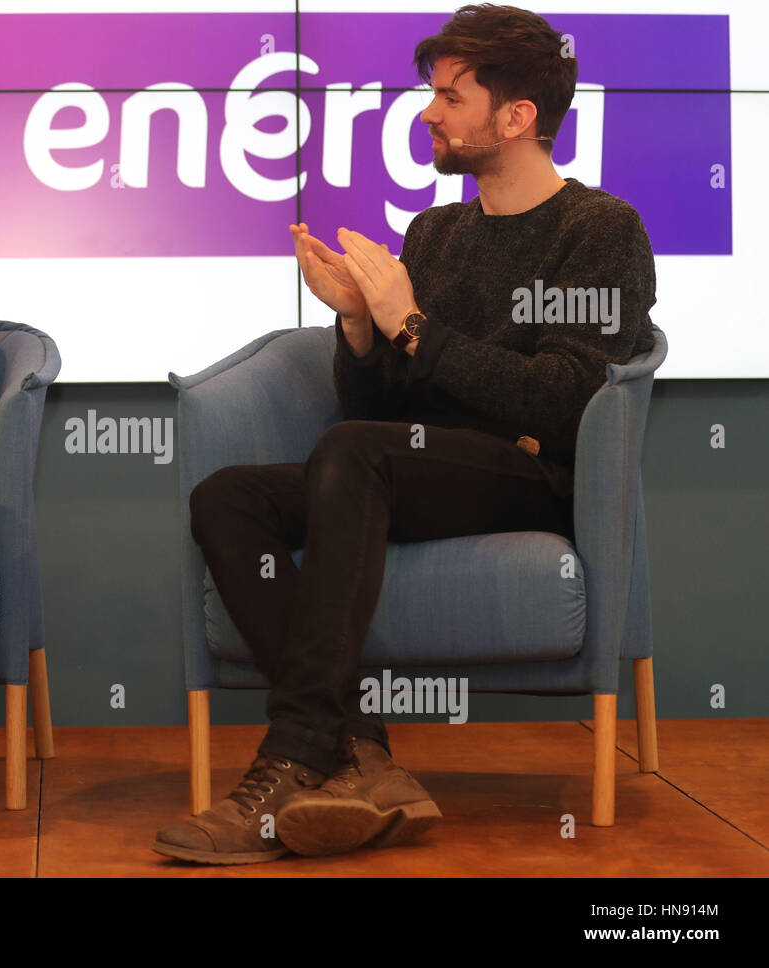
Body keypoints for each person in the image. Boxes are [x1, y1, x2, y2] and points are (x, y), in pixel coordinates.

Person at [153, 3, 656, 864]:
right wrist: (359, 327)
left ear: (517, 116)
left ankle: (296, 754)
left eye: (450, 97)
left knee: (356, 455)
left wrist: (415, 325)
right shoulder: (437, 231)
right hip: (413, 467)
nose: (428, 111)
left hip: (529, 475)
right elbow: (372, 414)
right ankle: (363, 753)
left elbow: (566, 398)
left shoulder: (599, 230)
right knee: (225, 496)